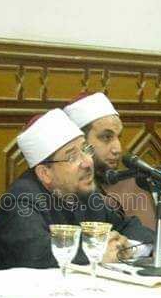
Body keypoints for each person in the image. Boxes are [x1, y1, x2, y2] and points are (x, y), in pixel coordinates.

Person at [0, 108, 154, 272]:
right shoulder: (20, 201)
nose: (87, 162)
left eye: (86, 150)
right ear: (45, 173)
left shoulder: (86, 193)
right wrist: (99, 251)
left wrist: (127, 247)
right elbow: (38, 255)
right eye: (72, 157)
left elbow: (130, 227)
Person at [64, 91, 155, 231]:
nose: (117, 149)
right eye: (106, 137)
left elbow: (149, 238)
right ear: (79, 141)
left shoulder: (131, 186)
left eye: (119, 137)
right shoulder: (60, 189)